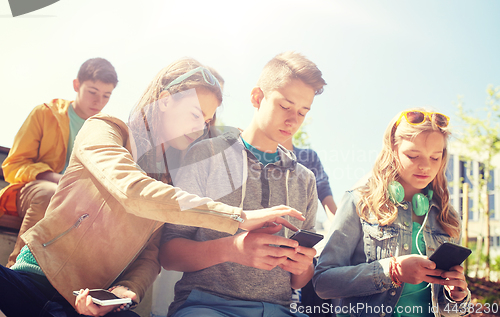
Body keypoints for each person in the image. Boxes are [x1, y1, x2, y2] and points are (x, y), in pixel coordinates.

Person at [0, 58, 304, 317]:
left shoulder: (171, 181)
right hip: (37, 279)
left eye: (208, 120)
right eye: (196, 114)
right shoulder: (104, 129)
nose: (201, 128)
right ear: (165, 99)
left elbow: (151, 255)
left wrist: (125, 292)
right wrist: (237, 217)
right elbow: (132, 191)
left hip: (91, 302)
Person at [160, 51, 326, 317]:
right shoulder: (205, 156)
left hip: (279, 309)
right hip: (206, 304)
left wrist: (303, 267)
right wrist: (233, 249)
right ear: (257, 98)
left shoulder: (305, 179)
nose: (293, 120)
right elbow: (169, 255)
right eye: (285, 106)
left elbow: (299, 281)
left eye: (302, 112)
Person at [313, 109, 471, 317]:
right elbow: (323, 283)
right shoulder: (360, 201)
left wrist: (457, 297)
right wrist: (392, 271)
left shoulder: (448, 218)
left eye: (435, 157)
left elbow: (449, 310)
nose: (425, 166)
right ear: (392, 150)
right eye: (413, 156)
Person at [1, 57, 118, 267]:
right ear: (76, 85)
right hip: (35, 191)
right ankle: (16, 270)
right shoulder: (45, 114)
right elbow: (13, 166)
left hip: (77, 200)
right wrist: (58, 179)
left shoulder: (107, 132)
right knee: (50, 193)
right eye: (92, 92)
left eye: (106, 96)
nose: (98, 101)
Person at [282, 137, 337, 217]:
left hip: (303, 227)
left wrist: (338, 225)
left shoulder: (309, 157)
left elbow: (323, 190)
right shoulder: (257, 158)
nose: (291, 123)